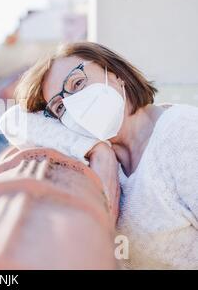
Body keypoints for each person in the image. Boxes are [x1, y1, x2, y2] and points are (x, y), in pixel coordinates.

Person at [14, 42, 198, 269]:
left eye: (78, 83)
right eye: (60, 107)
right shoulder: (107, 159)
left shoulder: (184, 133)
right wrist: (95, 149)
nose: (72, 106)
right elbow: (14, 120)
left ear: (115, 73)